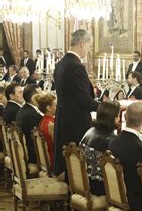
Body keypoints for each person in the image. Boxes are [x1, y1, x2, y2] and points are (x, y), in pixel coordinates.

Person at [53, 29, 99, 176]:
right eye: (89, 46)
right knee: (75, 165)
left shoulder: (61, 63)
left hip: (64, 117)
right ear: (82, 43)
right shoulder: (75, 65)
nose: (89, 50)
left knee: (68, 161)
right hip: (75, 121)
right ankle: (78, 190)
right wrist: (106, 107)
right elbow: (84, 100)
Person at [108, 101, 142, 211]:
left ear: (125, 116)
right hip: (134, 201)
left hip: (115, 195)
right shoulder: (140, 148)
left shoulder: (113, 141)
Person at [81, 101, 121, 195]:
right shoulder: (111, 140)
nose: (119, 119)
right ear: (114, 118)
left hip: (84, 182)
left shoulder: (89, 131)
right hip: (101, 189)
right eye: (118, 116)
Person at [15, 84, 42, 163]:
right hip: (33, 156)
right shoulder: (32, 115)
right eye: (41, 94)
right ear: (34, 98)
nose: (43, 96)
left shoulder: (23, 110)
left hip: (25, 152)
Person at [37, 93, 57, 167]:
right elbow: (57, 146)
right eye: (56, 106)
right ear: (49, 108)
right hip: (53, 162)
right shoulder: (51, 124)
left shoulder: (43, 121)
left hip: (46, 161)